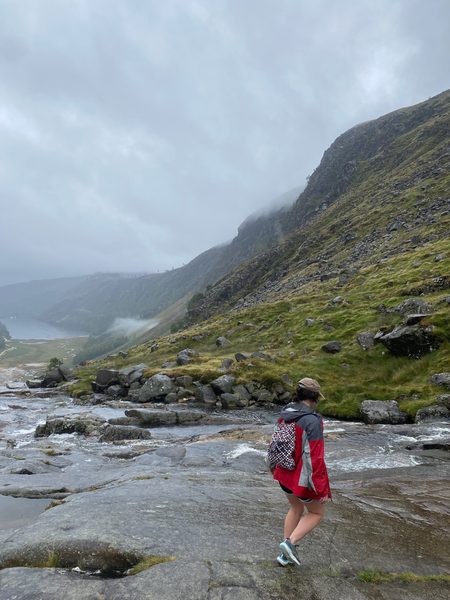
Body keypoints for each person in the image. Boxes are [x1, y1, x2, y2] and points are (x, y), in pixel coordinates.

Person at [272, 377, 331, 566]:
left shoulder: (285, 414)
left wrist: (272, 468)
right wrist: (322, 489)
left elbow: (275, 445)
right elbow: (315, 459)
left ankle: (284, 554)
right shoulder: (312, 421)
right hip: (300, 479)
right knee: (316, 513)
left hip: (283, 473)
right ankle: (291, 543)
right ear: (315, 397)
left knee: (296, 508)